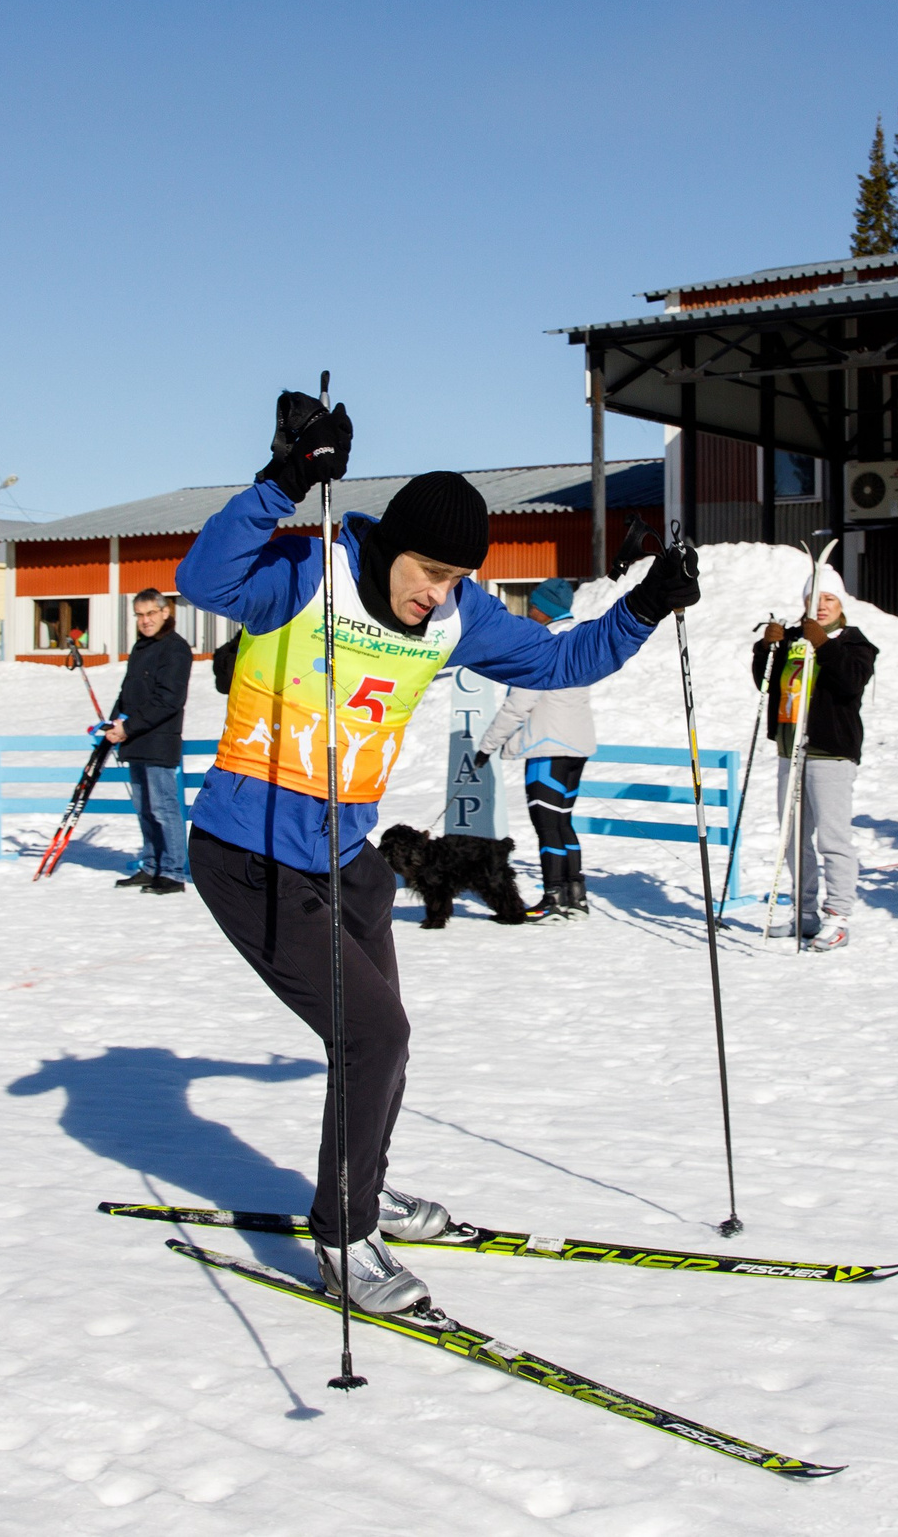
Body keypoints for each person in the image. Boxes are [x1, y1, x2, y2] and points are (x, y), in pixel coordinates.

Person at [174, 392, 699, 1313]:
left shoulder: (458, 619)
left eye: (457, 575)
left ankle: (364, 1195)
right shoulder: (309, 573)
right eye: (429, 569)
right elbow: (204, 581)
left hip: (344, 856)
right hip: (248, 853)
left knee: (382, 1043)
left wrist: (646, 604)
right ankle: (343, 1237)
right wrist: (287, 477)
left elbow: (563, 661)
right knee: (373, 1034)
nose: (438, 591)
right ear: (390, 548)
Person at [755, 566, 878, 951]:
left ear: (842, 603)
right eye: (814, 598)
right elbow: (766, 682)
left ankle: (838, 916)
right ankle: (804, 914)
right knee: (792, 838)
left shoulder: (855, 643)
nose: (821, 606)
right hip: (790, 749)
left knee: (833, 838)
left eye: (829, 598)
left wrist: (824, 644)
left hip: (831, 751)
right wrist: (766, 648)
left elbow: (850, 683)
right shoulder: (795, 638)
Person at [475, 577, 597, 919]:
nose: (528, 612)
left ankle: (553, 897)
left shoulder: (544, 644)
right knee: (563, 822)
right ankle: (576, 894)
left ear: (546, 611)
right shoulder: (578, 639)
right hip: (576, 745)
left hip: (546, 745)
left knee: (547, 826)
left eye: (533, 607)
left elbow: (519, 703)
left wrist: (487, 746)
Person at [104, 587, 193, 893]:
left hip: (158, 741)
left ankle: (172, 872)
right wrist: (113, 722)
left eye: (150, 613)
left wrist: (127, 728)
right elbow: (128, 691)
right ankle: (151, 865)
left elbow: (168, 700)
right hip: (135, 741)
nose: (145, 621)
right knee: (143, 808)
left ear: (165, 612)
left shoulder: (175, 648)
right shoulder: (142, 647)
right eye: (140, 615)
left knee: (163, 807)